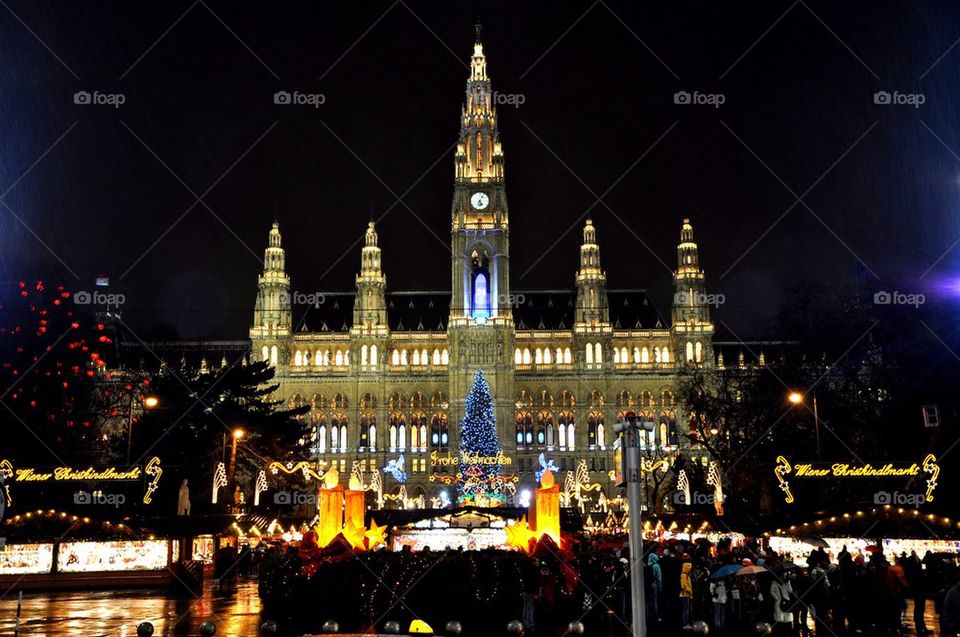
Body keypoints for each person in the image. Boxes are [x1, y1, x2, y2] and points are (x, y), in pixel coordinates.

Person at [770, 570, 794, 637]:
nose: (783, 577)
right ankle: (782, 633)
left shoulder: (785, 583)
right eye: (781, 576)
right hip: (778, 604)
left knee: (787, 620)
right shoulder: (774, 584)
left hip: (786, 603)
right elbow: (772, 592)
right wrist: (777, 598)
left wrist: (788, 583)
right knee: (780, 620)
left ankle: (787, 632)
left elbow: (790, 591)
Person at [646, 552, 663, 623]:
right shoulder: (656, 566)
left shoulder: (647, 564)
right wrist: (660, 587)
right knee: (654, 602)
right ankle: (656, 617)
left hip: (647, 585)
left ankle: (647, 616)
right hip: (654, 586)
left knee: (648, 602)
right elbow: (659, 578)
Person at [680, 560, 693, 629]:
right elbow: (684, 586)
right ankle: (685, 624)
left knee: (687, 610)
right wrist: (690, 590)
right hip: (685, 595)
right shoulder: (684, 575)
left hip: (687, 595)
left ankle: (687, 623)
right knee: (686, 610)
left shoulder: (687, 576)